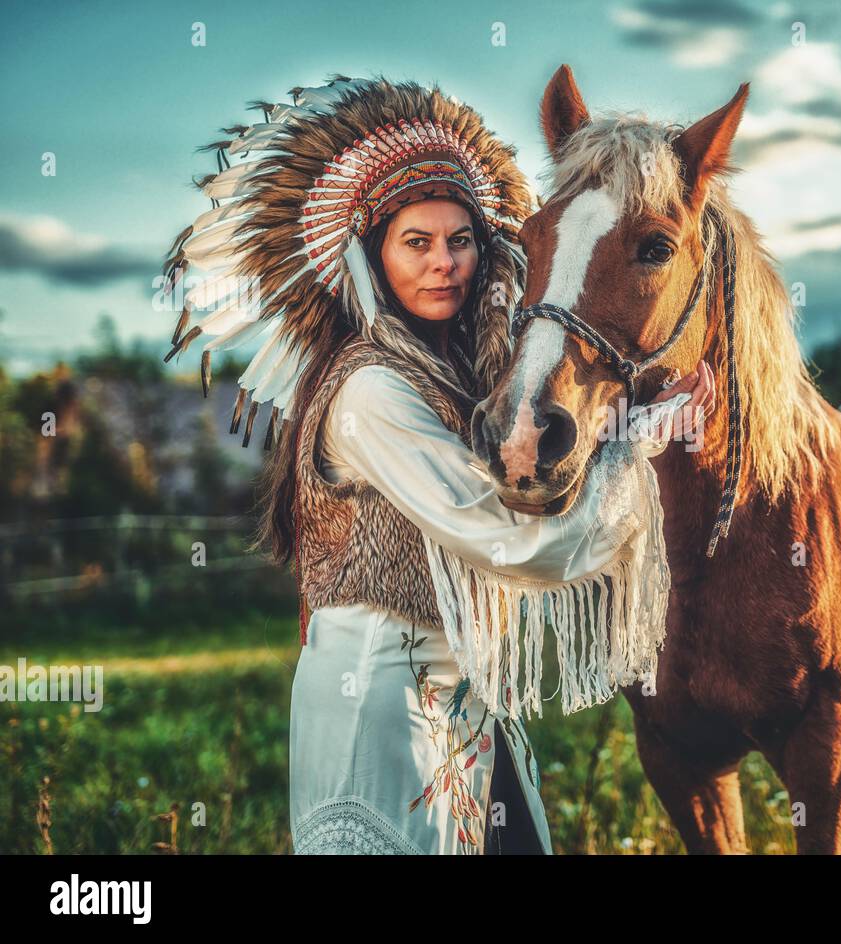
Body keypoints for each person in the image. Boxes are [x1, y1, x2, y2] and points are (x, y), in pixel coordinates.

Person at [162, 76, 715, 854]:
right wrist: (640, 443)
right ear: (374, 257)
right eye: (415, 243)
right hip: (378, 700)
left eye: (460, 242)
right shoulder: (368, 390)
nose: (444, 264)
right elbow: (507, 538)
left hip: (470, 703)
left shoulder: (464, 385)